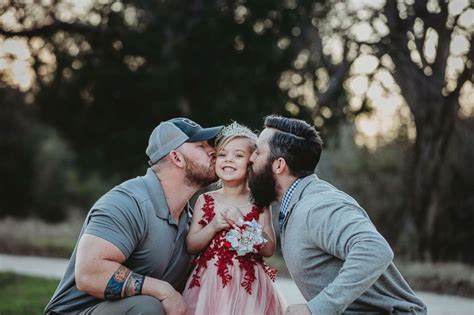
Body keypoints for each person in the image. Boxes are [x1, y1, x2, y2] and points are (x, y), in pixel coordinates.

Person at [248, 115, 427, 315]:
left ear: (279, 165)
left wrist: (316, 309)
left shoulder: (318, 205)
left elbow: (375, 249)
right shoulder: (297, 205)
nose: (250, 158)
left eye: (258, 152)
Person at [44, 117, 223, 315]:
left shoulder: (193, 220)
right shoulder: (126, 203)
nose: (213, 151)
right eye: (201, 146)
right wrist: (163, 290)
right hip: (76, 312)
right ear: (177, 158)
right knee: (147, 307)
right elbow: (89, 273)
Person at [182, 121, 287, 315]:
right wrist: (213, 226)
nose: (228, 159)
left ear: (251, 163)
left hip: (249, 285)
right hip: (209, 284)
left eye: (238, 155)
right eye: (222, 154)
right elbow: (191, 245)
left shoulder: (259, 202)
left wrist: (243, 225)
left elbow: (269, 248)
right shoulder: (206, 200)